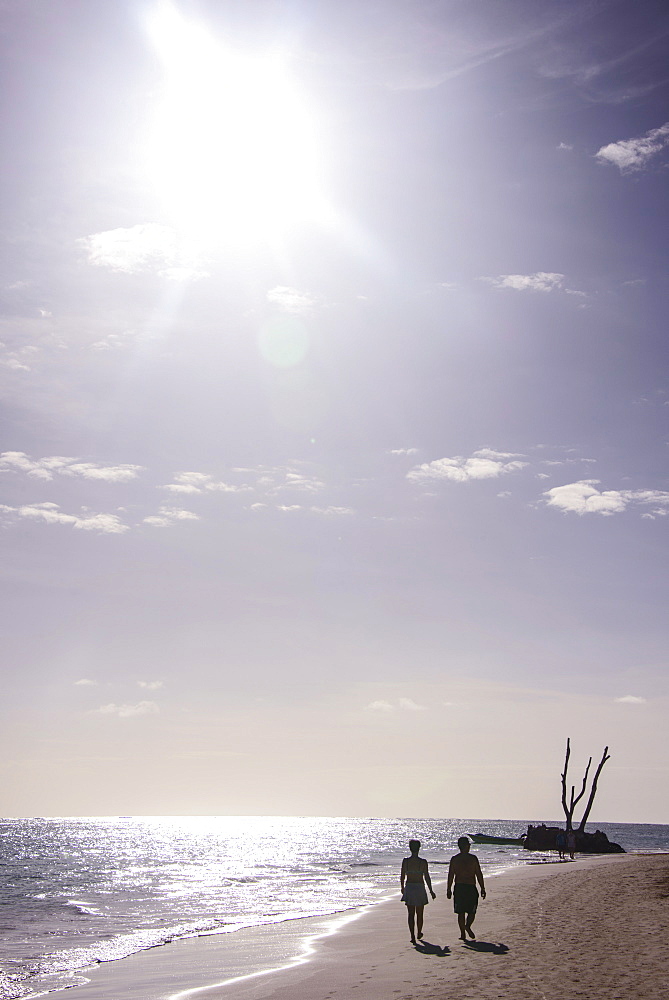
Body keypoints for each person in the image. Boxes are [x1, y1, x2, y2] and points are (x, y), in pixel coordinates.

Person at [447, 836, 486, 941]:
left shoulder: (455, 859)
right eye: (468, 845)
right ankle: (465, 929)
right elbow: (478, 874)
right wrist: (482, 888)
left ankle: (464, 931)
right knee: (470, 912)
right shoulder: (472, 858)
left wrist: (448, 889)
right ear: (465, 846)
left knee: (462, 912)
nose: (469, 846)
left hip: (460, 887)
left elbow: (451, 875)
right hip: (469, 887)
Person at [400, 839, 436, 944]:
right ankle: (419, 932)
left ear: (410, 848)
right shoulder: (423, 862)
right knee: (420, 913)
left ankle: (412, 936)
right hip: (420, 887)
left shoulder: (406, 861)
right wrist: (431, 890)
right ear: (419, 848)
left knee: (411, 914)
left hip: (410, 887)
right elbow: (427, 877)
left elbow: (402, 876)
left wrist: (402, 887)